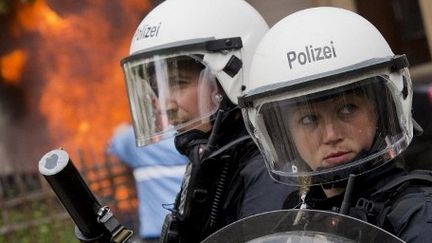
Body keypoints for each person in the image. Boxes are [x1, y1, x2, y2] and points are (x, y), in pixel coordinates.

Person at [238, 7, 432, 242]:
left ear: (380, 111)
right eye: (309, 119)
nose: (331, 135)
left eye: (347, 109)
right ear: (286, 136)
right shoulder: (297, 217)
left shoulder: (417, 215)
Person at [120, 0, 294, 242]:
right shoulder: (214, 158)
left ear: (233, 76)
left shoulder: (271, 173)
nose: (164, 105)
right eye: (158, 88)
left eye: (178, 83)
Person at [108, 124, 187, 243]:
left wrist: (121, 130)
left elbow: (114, 144)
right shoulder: (187, 135)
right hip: (187, 228)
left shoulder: (134, 138)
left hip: (155, 233)